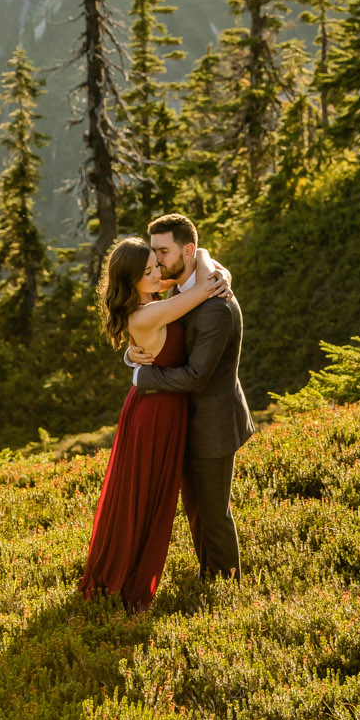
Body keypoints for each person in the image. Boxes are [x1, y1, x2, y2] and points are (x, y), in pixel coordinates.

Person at [78, 236, 232, 609]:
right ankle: (124, 580)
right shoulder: (147, 312)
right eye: (148, 271)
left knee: (149, 495)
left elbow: (196, 268)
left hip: (161, 407)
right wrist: (219, 276)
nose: (158, 273)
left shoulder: (149, 297)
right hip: (154, 413)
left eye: (156, 265)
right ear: (132, 280)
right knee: (143, 497)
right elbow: (202, 287)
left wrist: (209, 260)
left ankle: (127, 571)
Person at [126, 212, 256, 580]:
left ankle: (228, 585)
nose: (156, 262)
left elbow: (197, 375)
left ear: (187, 251)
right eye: (153, 252)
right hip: (182, 419)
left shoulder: (216, 303)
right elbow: (161, 339)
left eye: (163, 252)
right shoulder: (177, 289)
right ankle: (208, 577)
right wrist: (130, 355)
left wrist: (143, 376)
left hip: (213, 421)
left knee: (214, 512)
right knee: (195, 509)